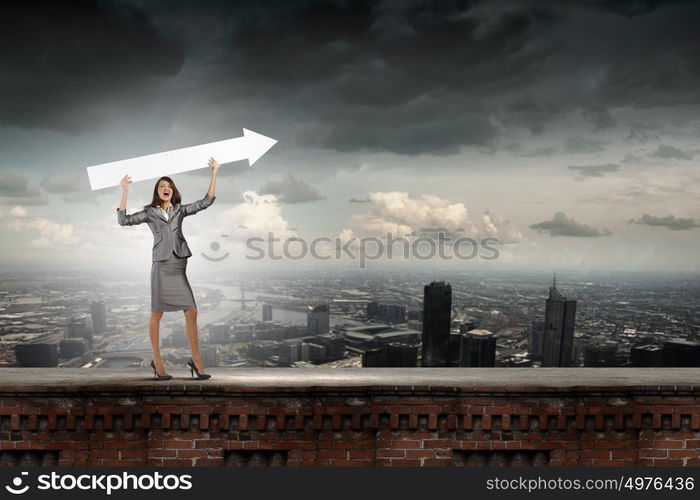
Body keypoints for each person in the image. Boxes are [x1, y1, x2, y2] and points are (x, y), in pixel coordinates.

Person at [116, 157, 220, 380]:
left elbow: (207, 201)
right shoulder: (149, 213)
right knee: (157, 314)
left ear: (173, 191)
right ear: (157, 192)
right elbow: (123, 220)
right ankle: (158, 361)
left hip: (178, 264)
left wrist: (214, 173)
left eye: (169, 186)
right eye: (162, 186)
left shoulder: (180, 210)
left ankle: (197, 360)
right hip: (161, 267)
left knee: (191, 311)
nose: (166, 189)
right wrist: (124, 191)